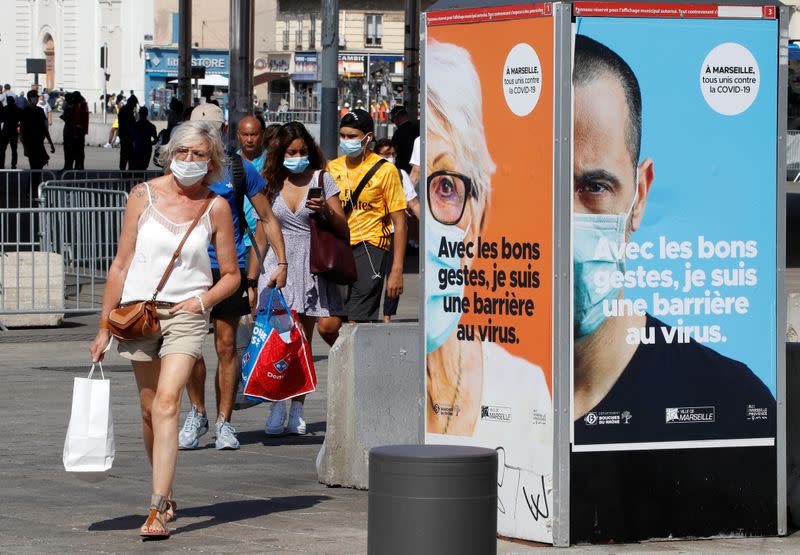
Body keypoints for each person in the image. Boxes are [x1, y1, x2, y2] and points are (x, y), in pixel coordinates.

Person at [571, 34, 774, 444]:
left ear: (640, 196)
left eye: (594, 186)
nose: (564, 218)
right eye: (540, 185)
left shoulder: (732, 406)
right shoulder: (467, 397)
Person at [423, 40, 553, 536]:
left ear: (478, 216)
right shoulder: (407, 389)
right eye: (425, 187)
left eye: (448, 186)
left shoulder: (525, 391)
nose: (435, 221)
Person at [88, 120, 240, 539]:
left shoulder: (217, 206)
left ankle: (156, 509)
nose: (190, 161)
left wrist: (202, 301)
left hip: (187, 315)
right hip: (138, 313)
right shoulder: (142, 196)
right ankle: (167, 490)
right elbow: (121, 264)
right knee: (149, 407)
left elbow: (231, 274)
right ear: (169, 153)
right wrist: (103, 326)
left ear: (212, 161)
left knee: (169, 402)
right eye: (183, 152)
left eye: (199, 154)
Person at [178, 103, 287, 451]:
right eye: (197, 133)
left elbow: (267, 217)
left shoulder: (238, 169)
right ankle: (197, 413)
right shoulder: (178, 168)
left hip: (228, 269)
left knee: (226, 347)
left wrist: (279, 263)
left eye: (209, 132)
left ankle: (225, 421)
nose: (203, 140)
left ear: (222, 132)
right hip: (188, 270)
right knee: (190, 347)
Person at [252, 122, 348, 435]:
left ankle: (297, 407)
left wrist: (326, 212)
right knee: (278, 340)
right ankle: (277, 403)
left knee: (302, 342)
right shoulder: (269, 184)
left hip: (311, 264)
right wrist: (250, 280)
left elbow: (344, 228)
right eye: (291, 152)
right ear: (279, 154)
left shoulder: (322, 179)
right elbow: (263, 232)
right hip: (278, 265)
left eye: (303, 151)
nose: (298, 157)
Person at [327, 109, 407, 322]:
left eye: (352, 136)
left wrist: (397, 269)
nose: (346, 141)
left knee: (357, 319)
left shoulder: (385, 170)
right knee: (329, 323)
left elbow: (400, 222)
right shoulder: (332, 168)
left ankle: (356, 353)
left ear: (368, 137)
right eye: (342, 136)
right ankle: (347, 353)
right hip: (339, 246)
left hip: (371, 246)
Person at [373, 138, 420, 322]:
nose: (390, 158)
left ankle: (387, 316)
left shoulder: (400, 175)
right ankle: (366, 314)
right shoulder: (367, 173)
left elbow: (414, 203)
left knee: (394, 273)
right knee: (372, 277)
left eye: (392, 154)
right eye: (385, 154)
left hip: (394, 233)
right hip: (372, 233)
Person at [19, 90, 55, 169]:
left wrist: (51, 143)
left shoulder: (40, 110)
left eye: (36, 97)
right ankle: (32, 181)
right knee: (34, 167)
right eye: (34, 97)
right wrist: (25, 146)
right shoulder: (25, 111)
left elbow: (44, 128)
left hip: (39, 142)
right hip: (30, 144)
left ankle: (35, 181)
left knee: (40, 165)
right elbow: (22, 130)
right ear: (29, 99)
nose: (36, 99)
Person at [390, 105, 418, 173]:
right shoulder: (416, 129)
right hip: (415, 166)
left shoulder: (399, 132)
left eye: (393, 119)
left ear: (398, 117)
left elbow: (392, 149)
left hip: (403, 167)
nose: (394, 122)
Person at [131, 106, 158, 171]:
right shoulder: (151, 126)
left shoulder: (135, 125)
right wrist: (149, 143)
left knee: (137, 169)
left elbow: (130, 138)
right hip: (147, 149)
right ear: (147, 114)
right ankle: (143, 180)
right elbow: (156, 139)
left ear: (139, 114)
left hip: (137, 149)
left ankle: (138, 181)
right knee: (144, 169)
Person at [117, 94, 138, 170]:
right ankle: (125, 176)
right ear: (131, 103)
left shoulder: (125, 110)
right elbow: (129, 125)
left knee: (125, 158)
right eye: (134, 104)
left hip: (125, 137)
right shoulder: (127, 111)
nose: (134, 106)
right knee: (127, 158)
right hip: (127, 138)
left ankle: (124, 175)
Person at [0, 96, 19, 169]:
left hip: (5, 131)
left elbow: (1, 119)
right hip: (13, 131)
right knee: (14, 150)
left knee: (2, 150)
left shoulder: (4, 109)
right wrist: (17, 124)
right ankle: (13, 165)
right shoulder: (17, 109)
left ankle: (1, 164)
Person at [60, 92, 77, 170]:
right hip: (67, 129)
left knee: (71, 149)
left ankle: (69, 165)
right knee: (66, 149)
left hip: (71, 130)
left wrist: (64, 117)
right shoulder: (67, 107)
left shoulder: (74, 107)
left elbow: (70, 118)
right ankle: (67, 165)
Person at [72, 91, 89, 169]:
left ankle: (80, 164)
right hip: (79, 129)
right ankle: (79, 164)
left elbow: (81, 118)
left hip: (79, 129)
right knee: (78, 149)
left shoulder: (82, 104)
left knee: (79, 149)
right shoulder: (81, 104)